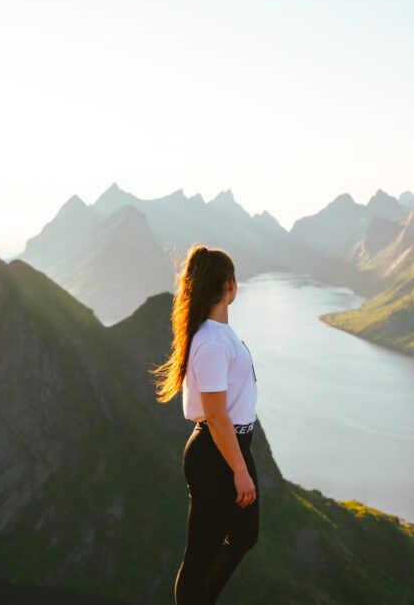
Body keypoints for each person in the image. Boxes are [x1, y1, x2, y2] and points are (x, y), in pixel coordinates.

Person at [154, 245, 259, 605]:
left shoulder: (217, 334)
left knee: (244, 535)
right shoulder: (212, 342)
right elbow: (215, 415)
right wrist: (240, 470)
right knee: (199, 555)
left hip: (232, 446)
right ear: (230, 284)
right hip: (218, 452)